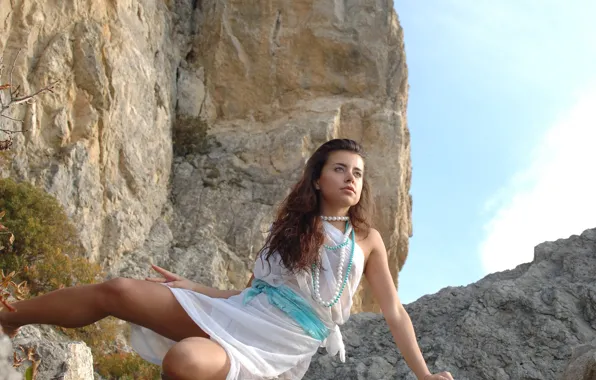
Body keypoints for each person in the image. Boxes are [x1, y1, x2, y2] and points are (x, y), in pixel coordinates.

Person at [0, 139, 454, 380]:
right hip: (240, 312)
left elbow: (394, 312)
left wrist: (425, 374)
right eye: (339, 168)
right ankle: (9, 318)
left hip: (281, 342)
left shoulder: (366, 238)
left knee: (185, 364)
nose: (350, 178)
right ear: (317, 178)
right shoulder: (294, 226)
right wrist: (196, 289)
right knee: (118, 290)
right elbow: (255, 291)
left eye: (357, 173)